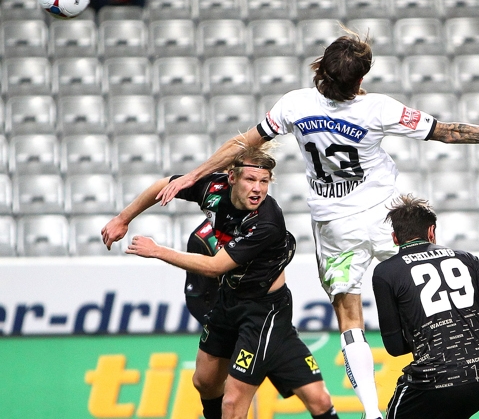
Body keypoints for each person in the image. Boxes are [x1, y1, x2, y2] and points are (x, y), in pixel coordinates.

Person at [156, 28, 479, 419]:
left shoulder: (294, 105)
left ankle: (369, 412)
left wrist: (195, 174)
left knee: (350, 316)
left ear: (319, 69)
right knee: (430, 293)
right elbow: (446, 133)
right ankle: (477, 391)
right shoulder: (378, 108)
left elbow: (244, 143)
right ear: (360, 78)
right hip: (386, 216)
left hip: (334, 225)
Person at [102, 144, 338, 419]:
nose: (258, 189)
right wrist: (123, 218)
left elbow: (215, 267)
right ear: (232, 177)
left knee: (234, 404)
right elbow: (164, 184)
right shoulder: (212, 189)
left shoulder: (266, 222)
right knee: (204, 382)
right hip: (230, 301)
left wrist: (158, 251)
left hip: (264, 313)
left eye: (264, 182)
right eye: (251, 179)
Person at [372, 194, 479, 419]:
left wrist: (430, 338)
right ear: (431, 231)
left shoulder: (385, 272)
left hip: (430, 382)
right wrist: (470, 335)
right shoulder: (466, 258)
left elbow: (394, 347)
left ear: (395, 238)